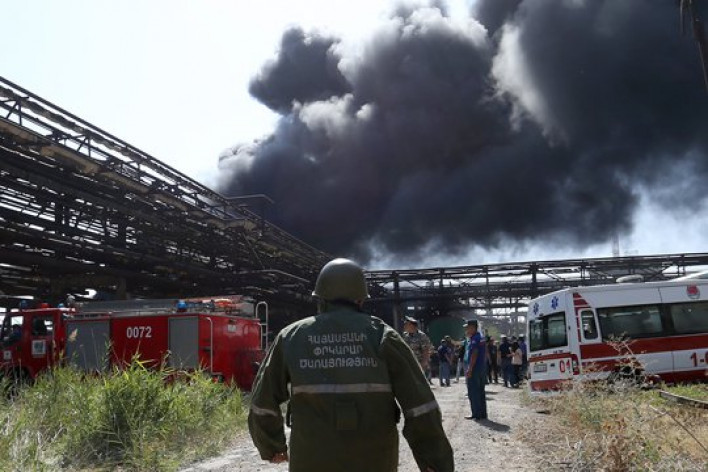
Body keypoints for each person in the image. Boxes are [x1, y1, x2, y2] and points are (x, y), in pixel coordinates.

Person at [248, 258, 454, 472]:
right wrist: (434, 462)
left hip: (312, 460)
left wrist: (272, 445)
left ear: (320, 298)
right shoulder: (383, 336)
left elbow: (263, 398)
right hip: (374, 461)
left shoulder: (291, 337)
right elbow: (420, 405)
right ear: (360, 300)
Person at [463, 319, 487, 420]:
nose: (466, 330)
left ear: (473, 328)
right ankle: (482, 414)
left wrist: (470, 369)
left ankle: (476, 414)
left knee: (473, 391)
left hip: (475, 368)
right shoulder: (480, 337)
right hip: (481, 368)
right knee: (480, 391)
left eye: (467, 328)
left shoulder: (474, 339)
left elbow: (474, 354)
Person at [402, 316, 433, 385]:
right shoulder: (405, 335)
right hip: (408, 365)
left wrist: (422, 367)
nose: (404, 326)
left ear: (411, 325)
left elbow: (426, 351)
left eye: (406, 324)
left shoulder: (422, 336)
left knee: (419, 385)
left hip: (418, 365)